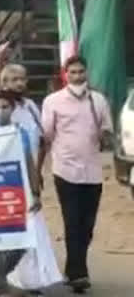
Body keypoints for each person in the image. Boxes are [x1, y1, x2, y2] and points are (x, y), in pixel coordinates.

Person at [39, 56, 112, 294]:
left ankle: (74, 270)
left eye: (81, 71)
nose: (78, 76)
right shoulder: (53, 101)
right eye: (73, 72)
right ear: (65, 75)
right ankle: (79, 273)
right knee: (72, 222)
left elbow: (106, 131)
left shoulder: (98, 100)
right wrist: (38, 167)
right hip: (65, 170)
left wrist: (106, 137)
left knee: (87, 225)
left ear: (86, 73)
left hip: (92, 172)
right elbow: (46, 137)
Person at [0, 91, 43, 297]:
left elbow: (29, 162)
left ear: (12, 109)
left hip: (17, 192)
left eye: (5, 107)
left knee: (23, 241)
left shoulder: (20, 133)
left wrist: (35, 192)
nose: (1, 111)